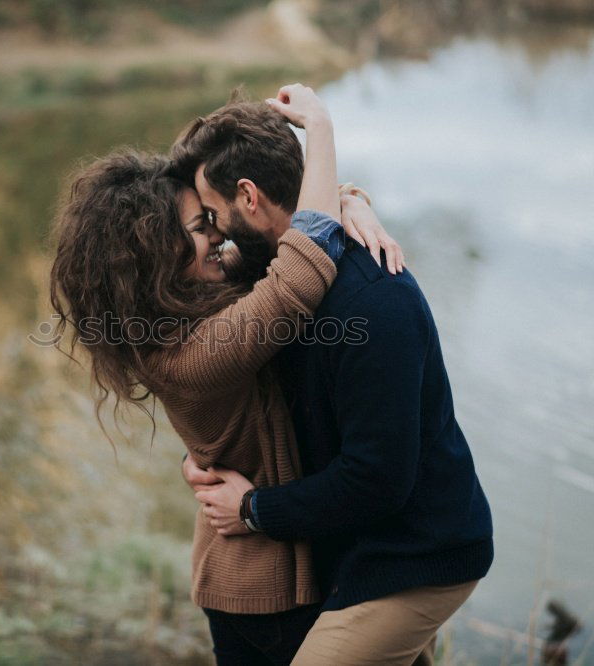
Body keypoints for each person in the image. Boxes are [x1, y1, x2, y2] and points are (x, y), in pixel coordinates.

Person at [50, 87, 401, 664]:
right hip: (261, 594)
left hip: (291, 567)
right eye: (200, 226)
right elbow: (300, 269)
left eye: (211, 218)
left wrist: (350, 200)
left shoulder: (188, 299)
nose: (219, 234)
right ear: (155, 254)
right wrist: (321, 132)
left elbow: (283, 228)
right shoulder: (188, 351)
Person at [174, 85, 494, 665]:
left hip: (415, 555)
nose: (213, 236)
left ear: (248, 197)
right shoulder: (270, 271)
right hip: (348, 546)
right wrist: (349, 195)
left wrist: (254, 510)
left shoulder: (375, 302)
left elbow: (377, 479)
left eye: (213, 215)